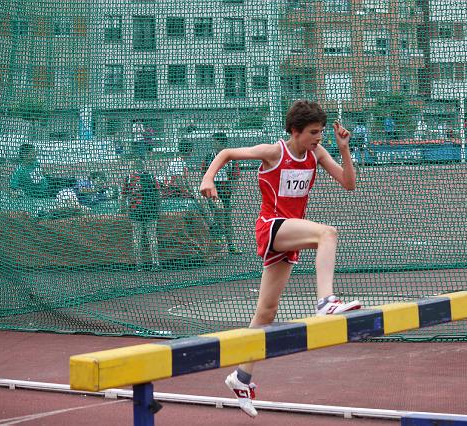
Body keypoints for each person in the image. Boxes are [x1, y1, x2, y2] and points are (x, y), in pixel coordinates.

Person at [199, 100, 362, 418]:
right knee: (327, 233)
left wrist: (343, 148)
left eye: (322, 132)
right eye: (314, 133)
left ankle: (241, 377)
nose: (319, 138)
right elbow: (226, 153)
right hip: (272, 227)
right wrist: (208, 179)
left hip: (289, 237)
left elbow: (349, 183)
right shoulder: (274, 152)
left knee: (265, 314)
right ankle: (325, 300)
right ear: (295, 131)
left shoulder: (317, 153)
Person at [121, 154, 161, 271]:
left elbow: (123, 196)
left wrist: (122, 209)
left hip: (135, 210)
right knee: (152, 236)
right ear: (144, 166)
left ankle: (139, 265)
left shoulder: (129, 178)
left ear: (133, 167)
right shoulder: (151, 176)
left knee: (137, 237)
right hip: (150, 209)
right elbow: (158, 193)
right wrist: (158, 208)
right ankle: (156, 263)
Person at [203, 132, 241, 255]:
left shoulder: (230, 157)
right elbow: (204, 173)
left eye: (215, 142)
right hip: (214, 191)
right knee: (218, 216)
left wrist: (232, 191)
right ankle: (217, 245)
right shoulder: (209, 157)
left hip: (226, 191)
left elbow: (235, 176)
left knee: (227, 219)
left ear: (222, 143)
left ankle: (231, 245)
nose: (213, 144)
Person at [10, 143, 75, 198]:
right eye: (32, 152)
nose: (36, 154)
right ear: (24, 155)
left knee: (70, 180)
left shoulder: (35, 162)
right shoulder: (19, 171)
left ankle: (78, 185)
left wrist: (47, 175)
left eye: (35, 152)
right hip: (40, 192)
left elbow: (41, 173)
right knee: (64, 191)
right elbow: (12, 187)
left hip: (47, 182)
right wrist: (16, 193)